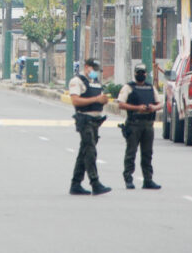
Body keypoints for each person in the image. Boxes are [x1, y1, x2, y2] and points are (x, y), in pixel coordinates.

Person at [68, 58, 111, 195]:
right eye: (93, 69)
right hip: (85, 120)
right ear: (87, 67)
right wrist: (96, 100)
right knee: (90, 152)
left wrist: (103, 101)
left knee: (84, 152)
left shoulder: (96, 83)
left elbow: (98, 98)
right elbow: (75, 100)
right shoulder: (77, 81)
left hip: (95, 121)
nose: (95, 72)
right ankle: (95, 183)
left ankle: (75, 184)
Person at [117, 63, 162, 190]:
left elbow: (159, 104)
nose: (141, 75)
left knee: (147, 153)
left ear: (146, 74)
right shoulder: (128, 87)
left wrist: (153, 107)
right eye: (138, 73)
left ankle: (148, 180)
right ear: (135, 74)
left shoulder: (150, 87)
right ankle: (128, 179)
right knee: (131, 153)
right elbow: (120, 104)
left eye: (143, 72)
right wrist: (137, 108)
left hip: (148, 124)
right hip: (134, 124)